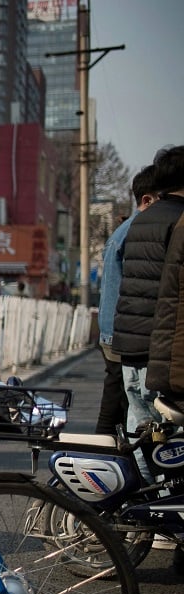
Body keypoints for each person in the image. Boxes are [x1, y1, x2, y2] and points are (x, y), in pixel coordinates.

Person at [113, 145, 184, 442]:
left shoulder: (140, 219)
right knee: (164, 441)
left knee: (142, 432)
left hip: (130, 344)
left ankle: (137, 488)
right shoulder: (178, 221)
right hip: (158, 349)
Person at [95, 164, 159, 434]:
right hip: (121, 333)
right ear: (147, 200)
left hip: (116, 331)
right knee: (122, 402)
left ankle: (107, 454)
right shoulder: (135, 232)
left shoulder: (126, 232)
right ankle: (102, 459)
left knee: (120, 399)